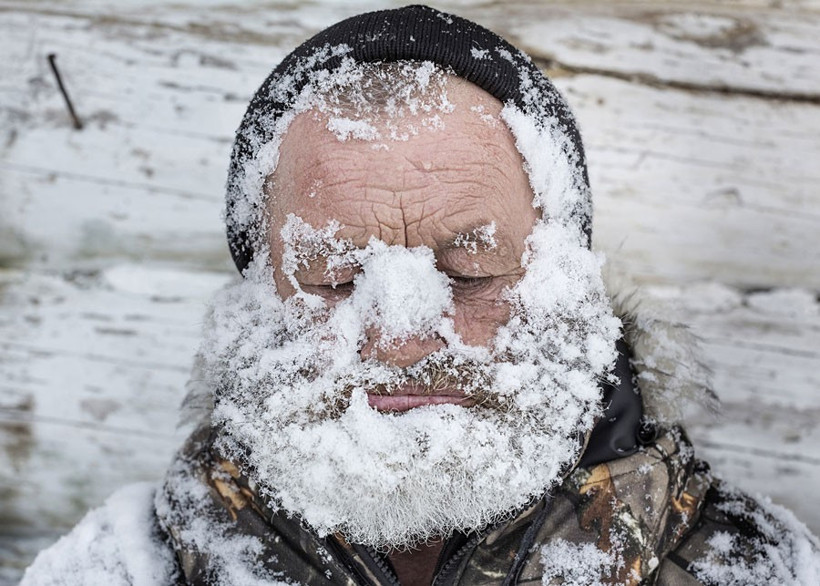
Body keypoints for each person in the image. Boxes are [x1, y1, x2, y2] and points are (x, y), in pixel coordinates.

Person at [21, 5, 820, 585]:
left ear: (567, 280)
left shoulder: (762, 569)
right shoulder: (114, 569)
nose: (401, 334)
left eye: (471, 271)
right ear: (258, 301)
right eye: (335, 280)